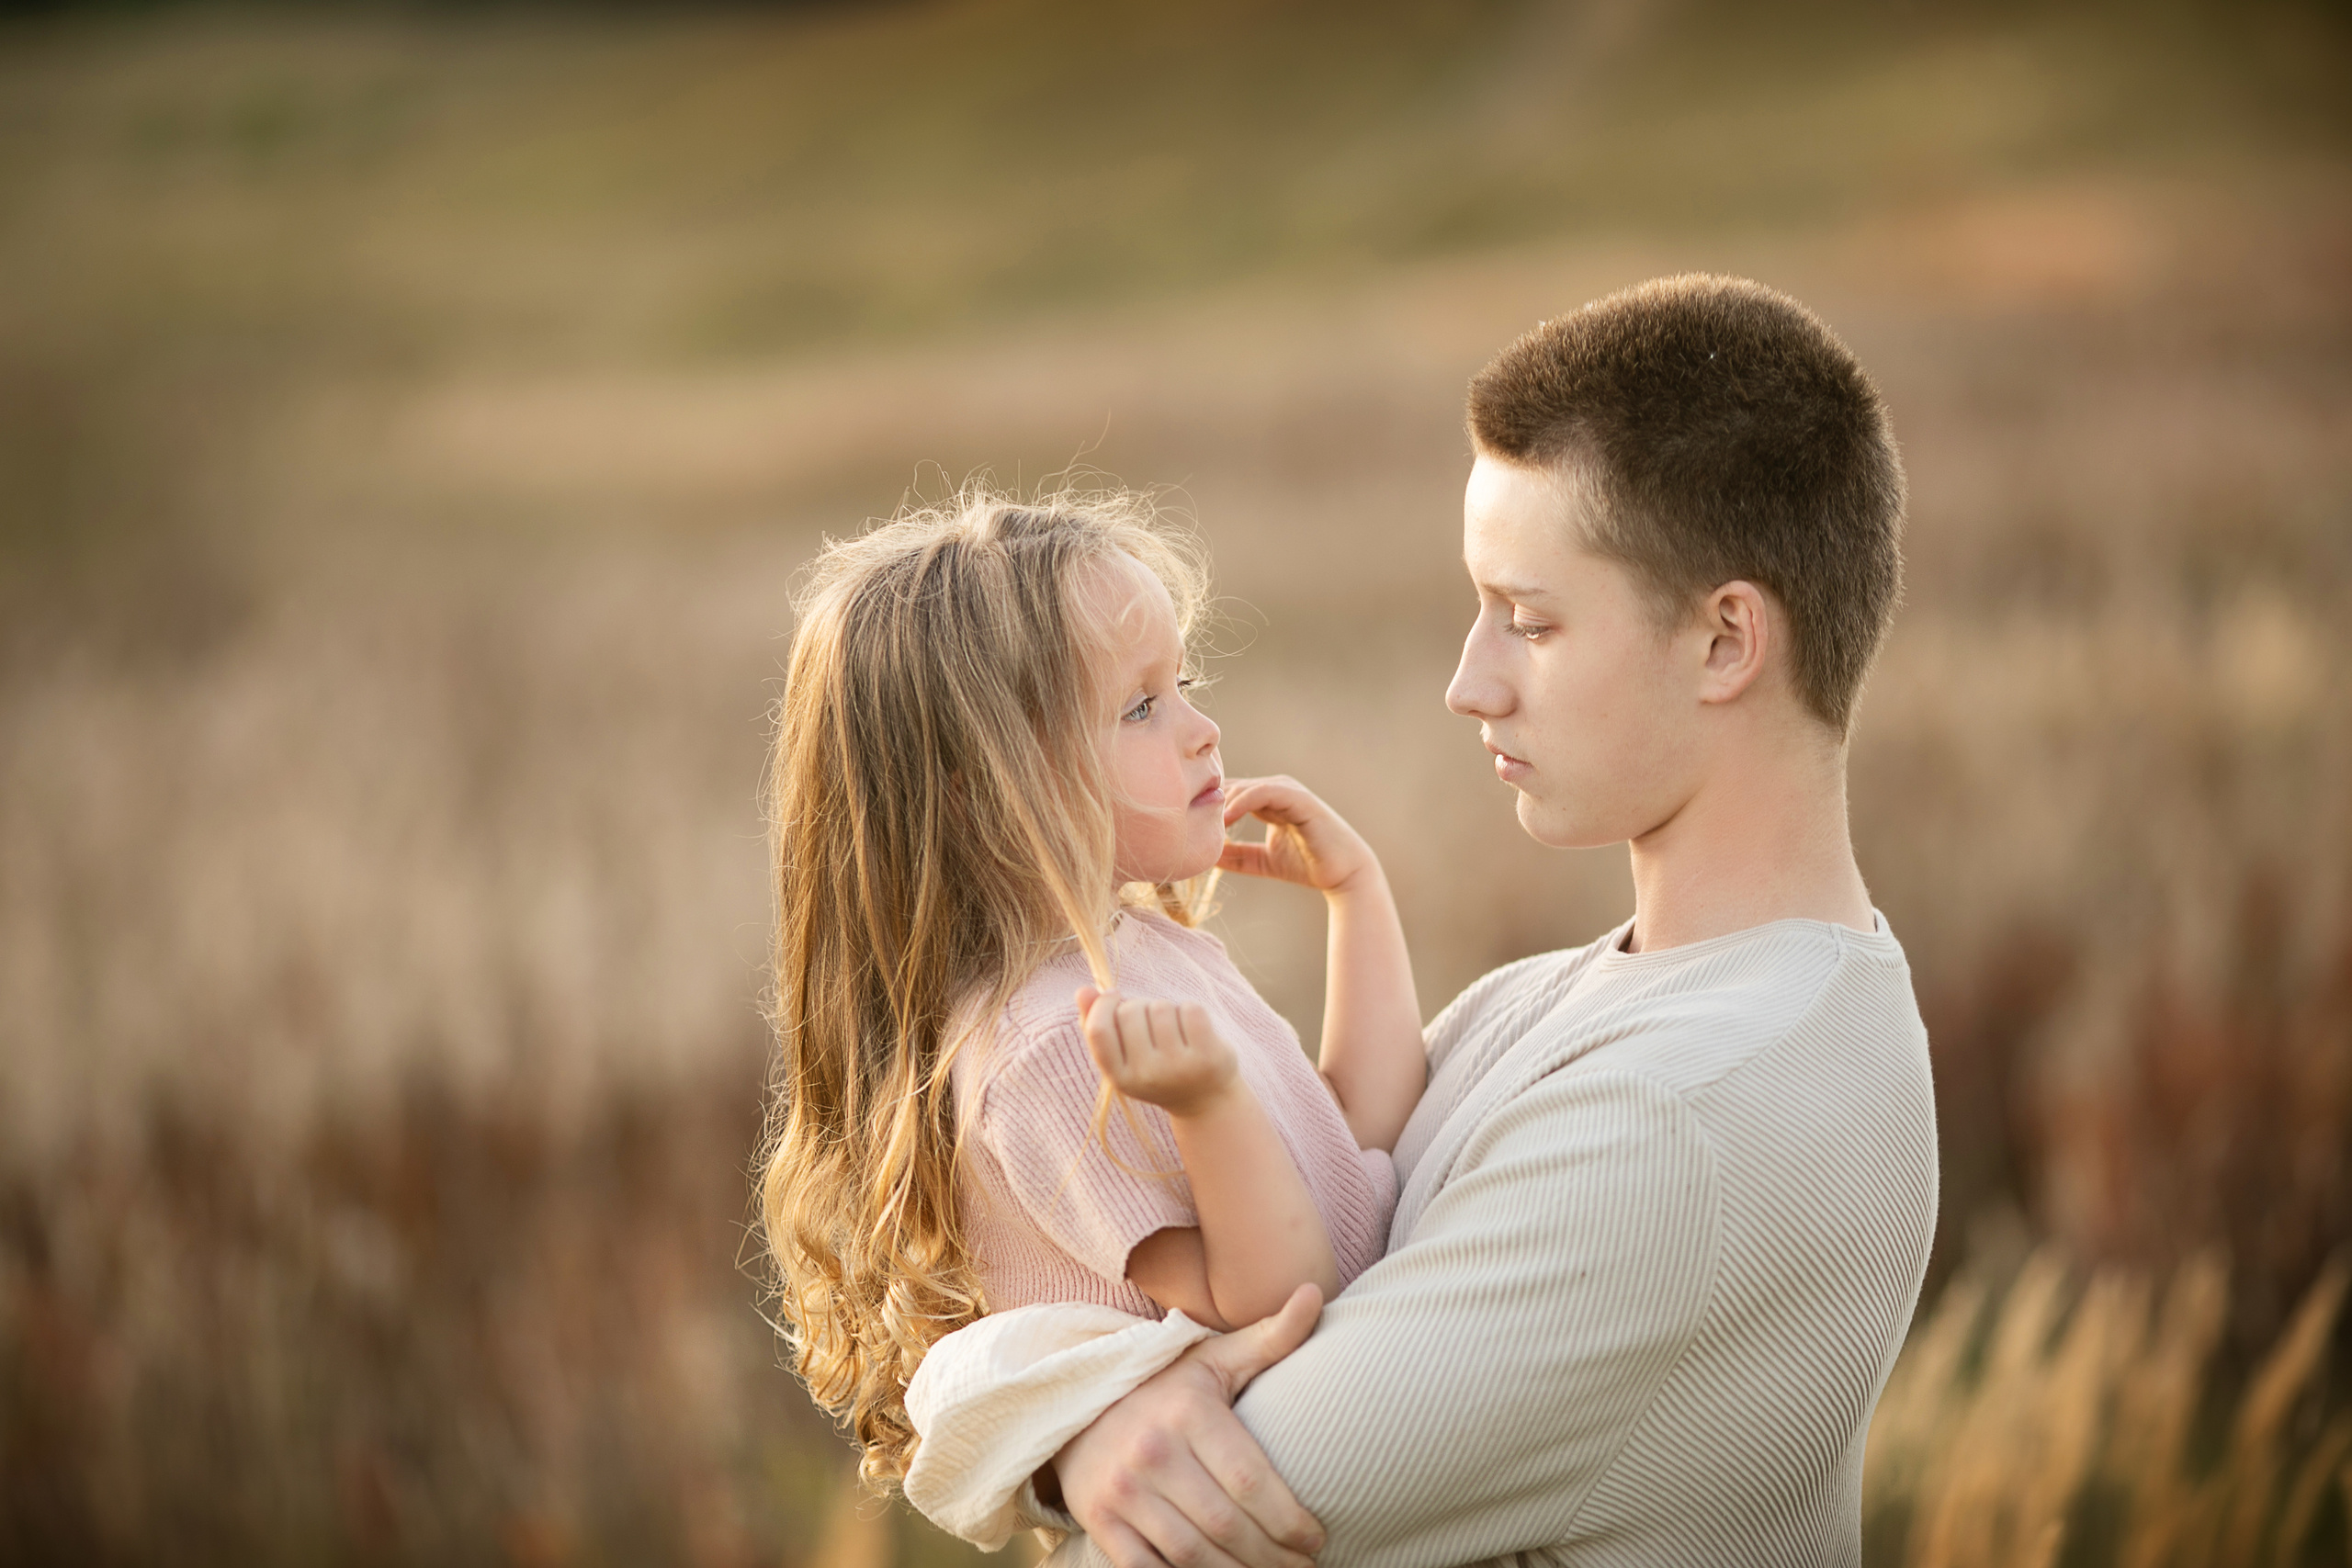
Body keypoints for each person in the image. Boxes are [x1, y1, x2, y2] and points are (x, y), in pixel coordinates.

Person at [906, 273, 1941, 1568]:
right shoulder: (1583, 1002)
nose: (1469, 680)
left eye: (1531, 620)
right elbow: (1344, 1166)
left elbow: (1199, 1521)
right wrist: (1072, 1424)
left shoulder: (1682, 1120)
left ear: (1727, 641)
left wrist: (1050, 1429)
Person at [754, 485, 1430, 1537]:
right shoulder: (1045, 1051)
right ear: (984, 787)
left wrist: (1360, 901)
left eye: (1185, 684)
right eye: (1141, 707)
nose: (1205, 731)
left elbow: (1359, 1143)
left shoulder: (1136, 951)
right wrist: (1209, 1109)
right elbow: (1278, 1299)